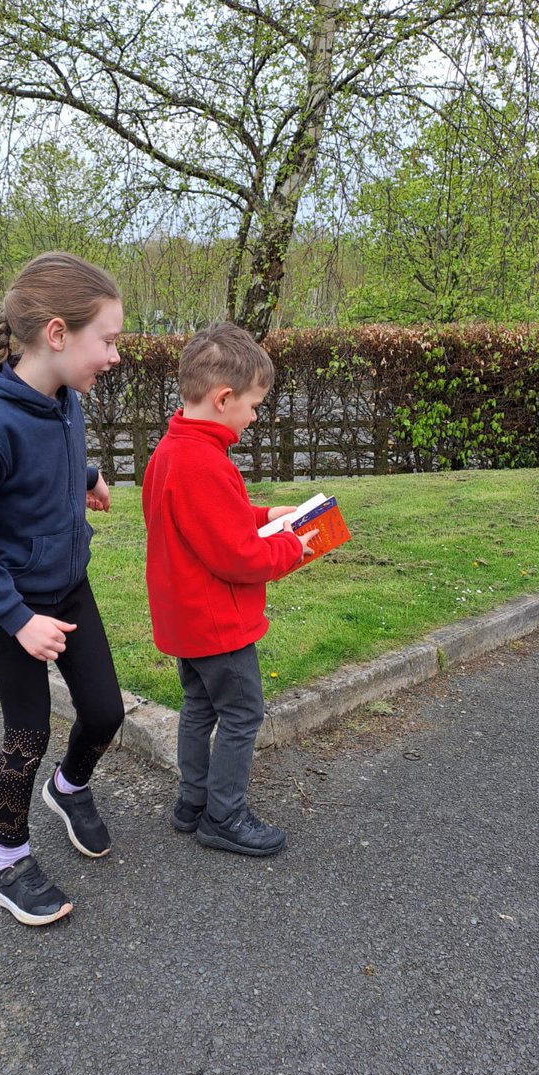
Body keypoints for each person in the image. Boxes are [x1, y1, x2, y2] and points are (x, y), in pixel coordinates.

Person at [0, 252, 126, 926]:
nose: (113, 355)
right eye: (106, 340)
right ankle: (6, 860)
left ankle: (69, 788)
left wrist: (88, 475)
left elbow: (54, 451)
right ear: (57, 333)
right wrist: (19, 619)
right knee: (26, 735)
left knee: (106, 713)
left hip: (69, 587)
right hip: (12, 606)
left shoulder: (66, 398)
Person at [141, 322, 318, 857]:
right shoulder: (206, 463)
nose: (255, 416)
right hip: (219, 623)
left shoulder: (171, 451)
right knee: (242, 714)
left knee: (199, 707)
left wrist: (266, 514)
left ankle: (192, 802)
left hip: (184, 619)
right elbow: (238, 556)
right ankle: (225, 815)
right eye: (254, 405)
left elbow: (203, 523)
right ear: (223, 398)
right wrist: (296, 546)